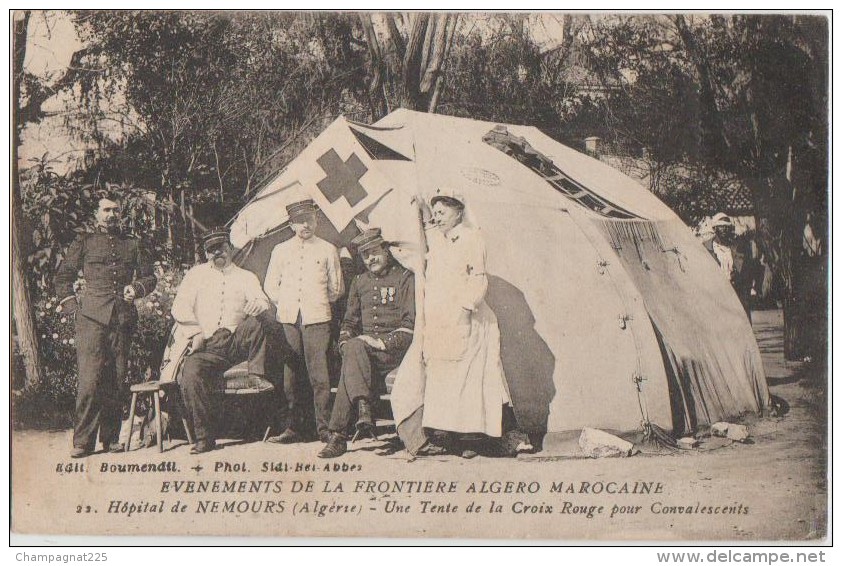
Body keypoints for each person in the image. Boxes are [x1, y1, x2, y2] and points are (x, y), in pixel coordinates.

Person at [54, 194, 157, 458]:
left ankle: (110, 439)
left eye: (116, 210)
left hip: (122, 320)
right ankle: (83, 442)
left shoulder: (132, 244)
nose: (112, 215)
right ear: (96, 214)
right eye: (106, 210)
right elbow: (63, 277)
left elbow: (150, 277)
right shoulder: (85, 242)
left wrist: (137, 288)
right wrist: (74, 309)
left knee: (117, 382)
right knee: (89, 382)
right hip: (91, 320)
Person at [420, 189, 511, 458]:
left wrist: (465, 309)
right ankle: (447, 437)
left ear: (459, 211)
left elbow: (478, 279)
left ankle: (472, 439)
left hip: (467, 318)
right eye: (435, 213)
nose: (437, 217)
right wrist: (424, 209)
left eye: (442, 212)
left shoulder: (472, 238)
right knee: (444, 378)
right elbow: (429, 231)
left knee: (468, 379)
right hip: (441, 321)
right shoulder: (439, 240)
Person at [171, 227, 271, 454]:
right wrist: (195, 331)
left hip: (237, 342)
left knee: (261, 319)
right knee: (191, 372)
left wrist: (258, 304)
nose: (218, 253)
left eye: (222, 248)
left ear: (231, 248)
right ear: (206, 254)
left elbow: (261, 299)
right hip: (208, 345)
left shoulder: (246, 276)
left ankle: (257, 373)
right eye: (212, 250)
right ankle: (204, 438)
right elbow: (179, 307)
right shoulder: (195, 275)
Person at [318, 229, 415, 458]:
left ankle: (339, 435)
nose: (370, 259)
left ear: (386, 251)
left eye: (374, 252)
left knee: (353, 357)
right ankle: (362, 408)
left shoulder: (404, 278)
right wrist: (345, 343)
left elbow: (410, 325)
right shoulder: (359, 282)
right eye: (365, 255)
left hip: (393, 351)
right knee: (353, 348)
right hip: (363, 352)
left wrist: (380, 342)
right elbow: (349, 323)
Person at [264, 199, 344, 444]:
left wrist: (314, 302)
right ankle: (294, 428)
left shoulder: (328, 249)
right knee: (291, 375)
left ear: (316, 221)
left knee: (319, 375)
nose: (305, 225)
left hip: (318, 317)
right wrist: (288, 303)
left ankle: (324, 429)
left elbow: (336, 289)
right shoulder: (280, 250)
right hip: (289, 319)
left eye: (309, 220)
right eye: (299, 221)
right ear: (291, 225)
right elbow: (270, 286)